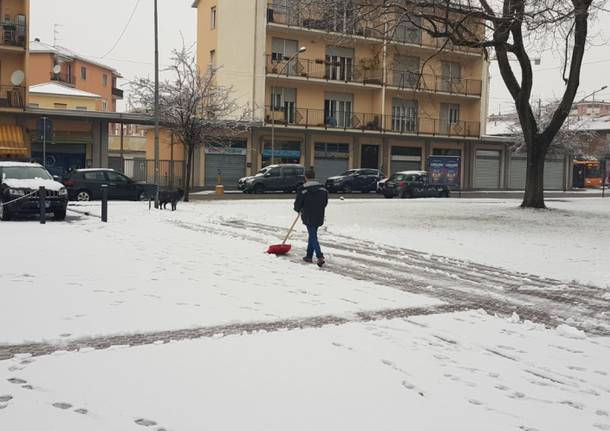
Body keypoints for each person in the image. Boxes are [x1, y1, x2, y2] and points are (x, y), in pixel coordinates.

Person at [294, 168, 328, 267]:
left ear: (305, 177)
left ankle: (319, 256)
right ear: (314, 176)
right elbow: (325, 203)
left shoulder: (303, 189)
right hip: (319, 215)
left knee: (313, 235)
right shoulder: (323, 189)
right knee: (312, 234)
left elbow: (298, 204)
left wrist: (298, 209)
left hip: (308, 215)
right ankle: (309, 256)